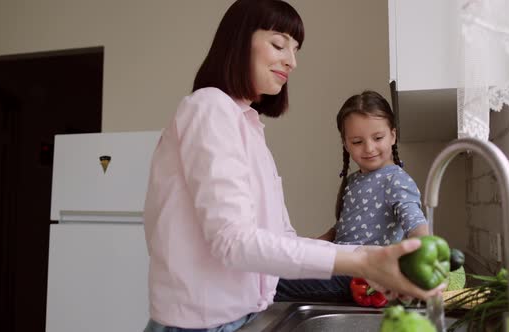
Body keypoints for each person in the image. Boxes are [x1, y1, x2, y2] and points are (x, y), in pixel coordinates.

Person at [143, 1, 444, 331]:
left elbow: (280, 237)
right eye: (278, 44)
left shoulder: (250, 127)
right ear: (240, 40)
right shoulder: (209, 107)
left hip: (243, 318)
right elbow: (233, 241)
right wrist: (364, 261)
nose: (292, 61)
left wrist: (373, 262)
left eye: (295, 49)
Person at [275, 90, 429, 303]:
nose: (369, 148)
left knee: (270, 281)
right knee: (273, 269)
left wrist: (425, 258)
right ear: (346, 144)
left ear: (393, 136)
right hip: (342, 265)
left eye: (378, 138)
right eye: (357, 141)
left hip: (365, 278)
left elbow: (416, 223)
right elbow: (340, 231)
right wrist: (303, 249)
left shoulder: (396, 180)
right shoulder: (354, 181)